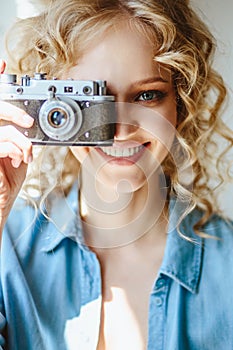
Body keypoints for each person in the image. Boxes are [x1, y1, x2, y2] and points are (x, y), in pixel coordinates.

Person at [0, 0, 233, 349]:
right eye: (93, 99)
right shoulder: (8, 249)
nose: (121, 130)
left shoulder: (227, 264)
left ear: (179, 103)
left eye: (147, 95)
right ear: (52, 107)